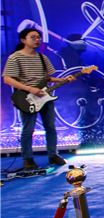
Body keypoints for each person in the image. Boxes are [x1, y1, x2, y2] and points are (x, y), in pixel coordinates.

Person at [2, 28, 74, 170]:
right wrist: (30, 89)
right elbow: (7, 79)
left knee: (50, 127)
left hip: (45, 97)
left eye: (39, 37)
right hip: (26, 98)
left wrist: (63, 79)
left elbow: (48, 78)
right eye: (33, 37)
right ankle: (28, 159)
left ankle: (53, 155)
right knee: (28, 129)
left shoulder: (42, 57)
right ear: (23, 40)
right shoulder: (15, 57)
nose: (37, 40)